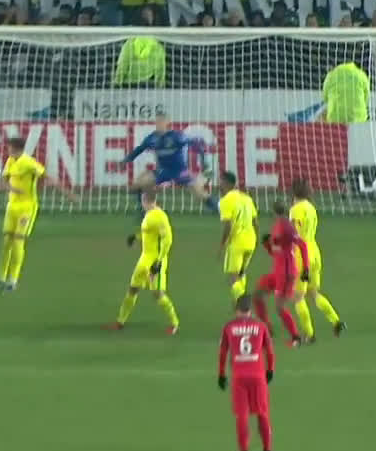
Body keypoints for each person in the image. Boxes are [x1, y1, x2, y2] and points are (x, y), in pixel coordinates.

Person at [0, 136, 77, 292]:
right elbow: (3, 182)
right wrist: (11, 189)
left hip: (27, 207)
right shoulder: (10, 161)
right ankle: (1, 277)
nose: (7, 149)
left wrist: (68, 194)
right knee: (7, 241)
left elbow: (48, 178)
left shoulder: (29, 163)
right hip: (12, 207)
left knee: (18, 241)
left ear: (15, 148)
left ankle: (13, 280)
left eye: (9, 147)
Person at [121, 111, 218, 227]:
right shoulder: (152, 138)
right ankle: (146, 210)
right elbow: (139, 149)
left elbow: (196, 144)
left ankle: (219, 209)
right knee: (138, 185)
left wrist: (203, 162)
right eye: (157, 121)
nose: (159, 124)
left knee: (200, 193)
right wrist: (126, 160)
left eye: (161, 121)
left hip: (180, 171)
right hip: (163, 171)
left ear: (167, 123)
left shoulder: (176, 136)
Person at [108, 191, 180, 333]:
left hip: (155, 260)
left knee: (157, 293)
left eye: (142, 201)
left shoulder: (160, 216)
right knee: (133, 289)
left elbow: (168, 240)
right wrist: (135, 237)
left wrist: (158, 262)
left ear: (146, 201)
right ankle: (120, 321)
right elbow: (149, 232)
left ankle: (174, 323)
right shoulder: (149, 214)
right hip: (144, 259)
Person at [217, 294, 275, 451]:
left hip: (239, 377)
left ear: (237, 309)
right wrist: (270, 370)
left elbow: (223, 353)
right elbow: (270, 352)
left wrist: (221, 374)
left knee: (242, 415)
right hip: (258, 376)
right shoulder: (261, 326)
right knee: (262, 413)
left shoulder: (229, 327)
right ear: (251, 310)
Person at [288, 179, 345, 341]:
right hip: (314, 252)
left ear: (294, 192)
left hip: (301, 255)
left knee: (298, 297)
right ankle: (336, 321)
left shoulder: (295, 210)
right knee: (314, 294)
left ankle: (309, 334)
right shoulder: (311, 208)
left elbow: (294, 234)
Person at [256, 203, 308, 347]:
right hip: (278, 271)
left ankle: (296, 337)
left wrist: (306, 269)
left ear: (275, 213)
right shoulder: (278, 226)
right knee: (258, 294)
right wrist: (268, 246)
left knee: (280, 307)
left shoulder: (287, 227)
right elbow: (277, 251)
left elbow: (302, 245)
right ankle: (267, 328)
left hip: (286, 273)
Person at [216, 171, 258, 303]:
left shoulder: (225, 201)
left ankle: (244, 305)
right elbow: (255, 222)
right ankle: (239, 304)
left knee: (233, 278)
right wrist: (255, 239)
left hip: (237, 242)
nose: (218, 185)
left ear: (227, 183)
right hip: (251, 241)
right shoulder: (247, 198)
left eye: (220, 181)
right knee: (241, 273)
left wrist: (222, 244)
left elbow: (227, 226)